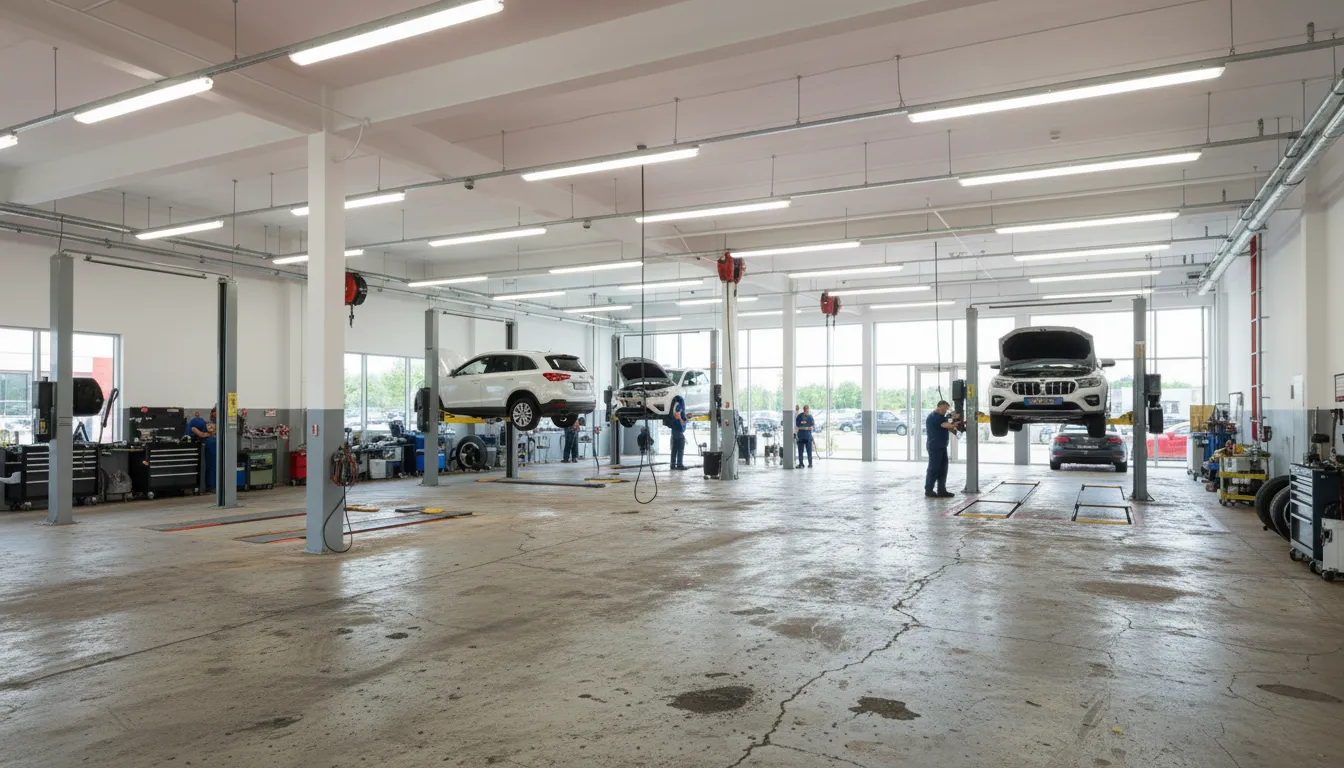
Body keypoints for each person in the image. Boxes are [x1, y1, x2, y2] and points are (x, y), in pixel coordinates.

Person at [925, 401, 962, 498]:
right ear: (939, 406)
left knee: (943, 469)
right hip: (935, 447)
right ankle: (928, 490)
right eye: (944, 408)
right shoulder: (934, 417)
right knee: (934, 468)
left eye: (947, 409)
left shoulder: (941, 416)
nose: (945, 410)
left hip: (942, 446)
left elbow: (948, 422)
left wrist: (955, 419)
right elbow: (946, 425)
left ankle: (942, 490)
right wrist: (955, 424)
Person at [668, 397, 688, 470]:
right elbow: (677, 415)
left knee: (674, 449)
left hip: (674, 431)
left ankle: (672, 465)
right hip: (678, 431)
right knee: (680, 449)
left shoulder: (673, 406)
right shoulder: (679, 406)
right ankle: (679, 464)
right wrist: (681, 419)